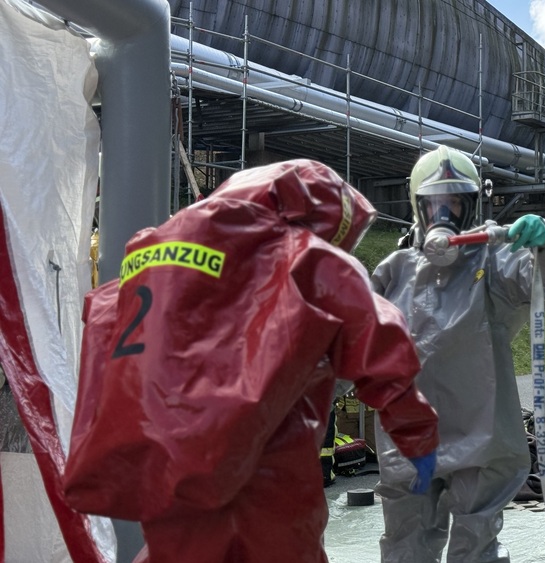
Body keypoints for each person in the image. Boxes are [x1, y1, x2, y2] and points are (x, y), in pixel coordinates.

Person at [63, 160, 439, 563]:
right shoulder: (304, 257)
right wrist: (417, 437)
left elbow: (105, 322)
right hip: (265, 469)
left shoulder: (157, 252)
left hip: (165, 465)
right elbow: (379, 340)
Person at [371, 145, 545, 563]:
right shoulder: (394, 271)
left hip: (481, 435)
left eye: (456, 203)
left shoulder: (496, 262)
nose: (446, 216)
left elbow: (544, 286)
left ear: (474, 207)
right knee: (405, 544)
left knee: (475, 545)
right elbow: (356, 343)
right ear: (418, 208)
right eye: (435, 204)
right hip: (408, 439)